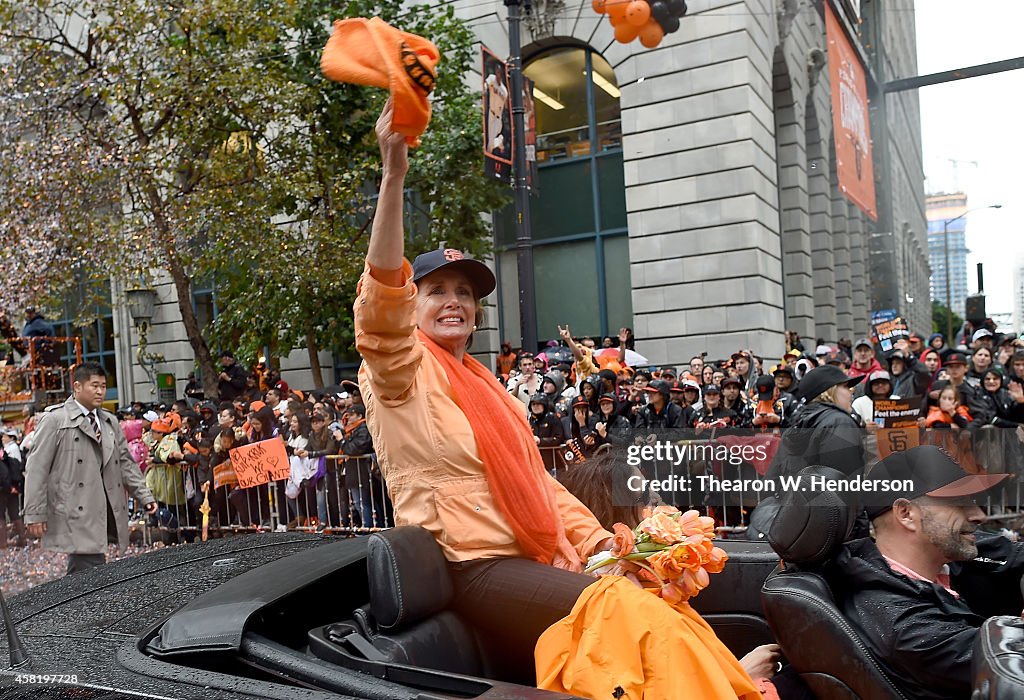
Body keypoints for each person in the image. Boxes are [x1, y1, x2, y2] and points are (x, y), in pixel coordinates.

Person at [354, 101, 619, 684]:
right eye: (437, 290)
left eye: (466, 293)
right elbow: (379, 308)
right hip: (472, 565)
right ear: (413, 307)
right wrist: (393, 175)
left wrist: (603, 542)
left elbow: (535, 481)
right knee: (619, 610)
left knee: (639, 590)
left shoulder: (486, 383)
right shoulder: (399, 367)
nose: (454, 301)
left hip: (524, 556)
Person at [828, 446, 1020, 700]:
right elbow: (1008, 666)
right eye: (958, 502)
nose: (979, 515)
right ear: (906, 514)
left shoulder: (950, 547)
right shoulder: (907, 628)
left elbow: (1009, 552)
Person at [22, 362, 157, 574]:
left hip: (106, 507)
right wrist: (34, 513)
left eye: (103, 386)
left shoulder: (110, 422)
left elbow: (125, 464)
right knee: (88, 568)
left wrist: (145, 496)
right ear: (77, 386)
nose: (100, 391)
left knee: (88, 573)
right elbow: (36, 468)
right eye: (94, 385)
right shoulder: (56, 420)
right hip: (74, 509)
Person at [767, 365, 865, 479]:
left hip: (795, 495)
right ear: (829, 392)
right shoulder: (840, 422)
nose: (851, 392)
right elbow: (846, 482)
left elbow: (771, 480)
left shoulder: (798, 422)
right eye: (846, 387)